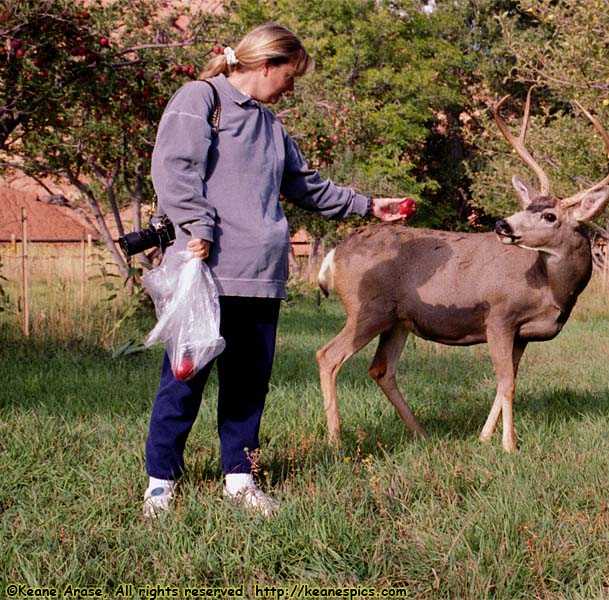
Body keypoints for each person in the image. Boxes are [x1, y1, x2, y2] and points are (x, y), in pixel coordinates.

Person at [142, 22, 409, 518]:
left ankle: (240, 480)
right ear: (266, 65)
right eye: (289, 75)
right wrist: (197, 225)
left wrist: (370, 206)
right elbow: (174, 168)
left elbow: (309, 187)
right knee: (183, 380)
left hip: (261, 278)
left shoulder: (271, 127)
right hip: (205, 271)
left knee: (248, 384)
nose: (292, 86)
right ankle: (161, 483)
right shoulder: (200, 99)